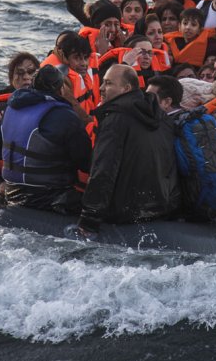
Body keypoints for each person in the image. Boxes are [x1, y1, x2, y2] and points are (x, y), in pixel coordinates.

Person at [77, 64, 181, 236]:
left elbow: (103, 170)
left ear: (126, 88)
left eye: (108, 83)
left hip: (125, 211)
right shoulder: (161, 117)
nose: (101, 88)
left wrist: (89, 218)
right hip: (160, 207)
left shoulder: (115, 119)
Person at [0, 65, 93, 214]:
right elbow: (86, 163)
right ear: (61, 90)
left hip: (11, 191)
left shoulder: (11, 108)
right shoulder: (65, 116)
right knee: (105, 206)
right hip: (50, 198)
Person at [0, 52, 40, 196]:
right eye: (20, 73)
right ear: (12, 78)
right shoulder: (0, 109)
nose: (26, 77)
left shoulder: (44, 104)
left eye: (31, 72)